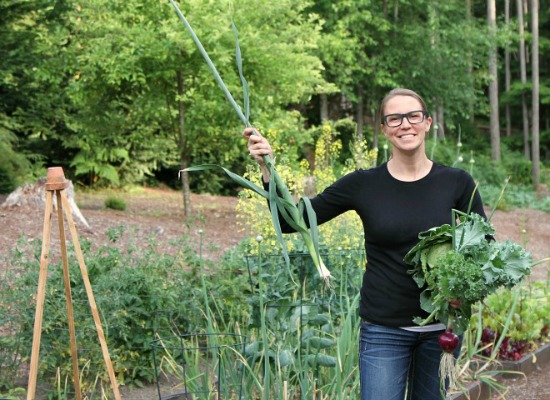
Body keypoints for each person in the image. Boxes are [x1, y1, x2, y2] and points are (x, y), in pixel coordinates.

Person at [244, 88, 487, 400]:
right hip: (384, 330)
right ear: (384, 129)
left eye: (413, 116)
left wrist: (463, 291)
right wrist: (268, 169)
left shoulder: (457, 183)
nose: (405, 125)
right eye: (394, 118)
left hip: (442, 330)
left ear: (427, 123)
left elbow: (483, 246)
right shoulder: (364, 184)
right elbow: (293, 222)